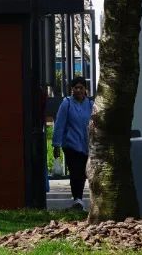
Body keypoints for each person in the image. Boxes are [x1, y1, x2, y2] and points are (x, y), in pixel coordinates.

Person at [52, 76, 92, 210]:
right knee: (75, 171)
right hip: (71, 145)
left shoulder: (90, 104)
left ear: (85, 89)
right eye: (76, 88)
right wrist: (56, 144)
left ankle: (78, 198)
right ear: (72, 89)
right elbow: (59, 125)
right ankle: (77, 199)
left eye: (81, 87)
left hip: (86, 145)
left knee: (82, 173)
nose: (79, 90)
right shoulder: (67, 103)